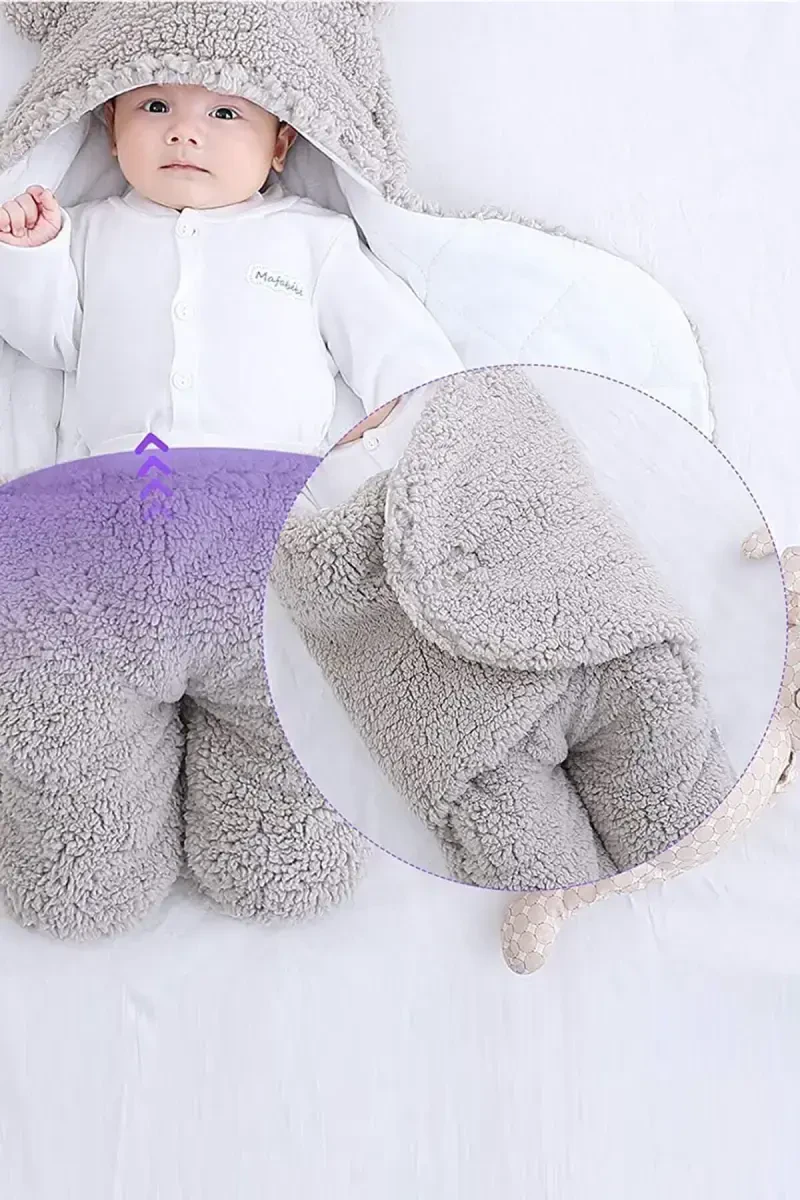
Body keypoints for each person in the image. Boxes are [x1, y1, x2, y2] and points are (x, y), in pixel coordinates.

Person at [0, 82, 463, 460]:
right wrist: (30, 257)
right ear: (113, 132)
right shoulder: (85, 231)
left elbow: (397, 346)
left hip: (273, 475)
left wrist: (386, 434)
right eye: (156, 106)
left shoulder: (313, 238)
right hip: (128, 475)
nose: (184, 132)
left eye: (224, 113)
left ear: (279, 145)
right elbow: (53, 342)